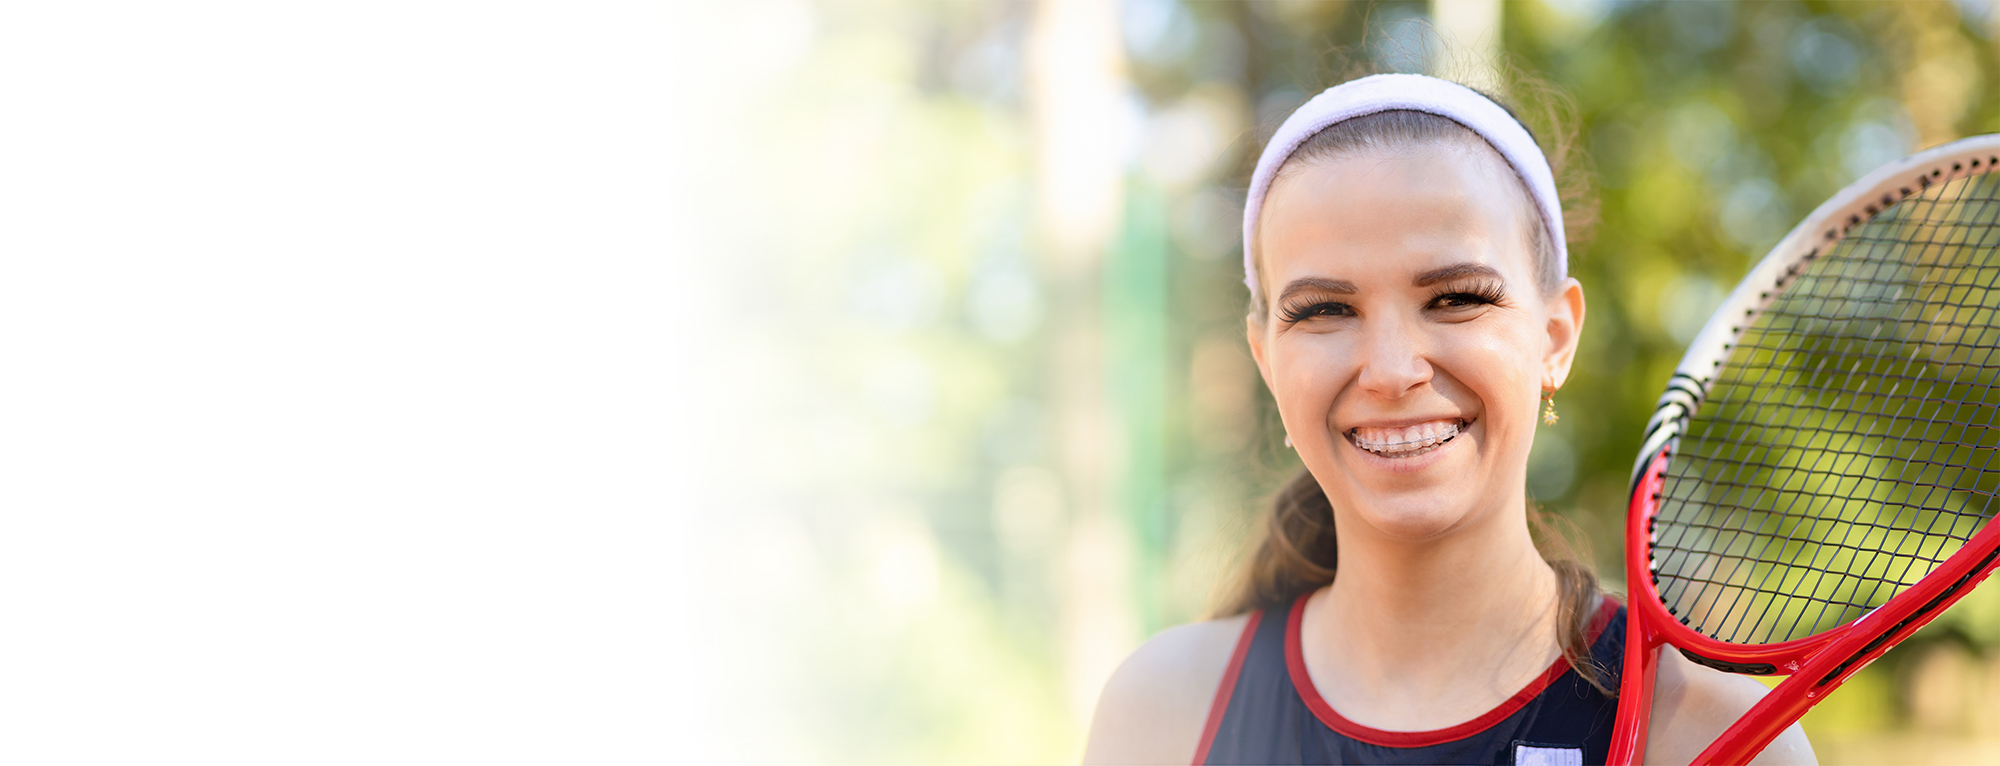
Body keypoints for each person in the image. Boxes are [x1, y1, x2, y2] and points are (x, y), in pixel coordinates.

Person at [1080, 73, 1817, 766]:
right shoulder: (1166, 711)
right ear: (1267, 359)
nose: (1394, 369)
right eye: (1326, 310)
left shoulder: (1713, 735)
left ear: (1555, 336)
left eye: (1457, 297)